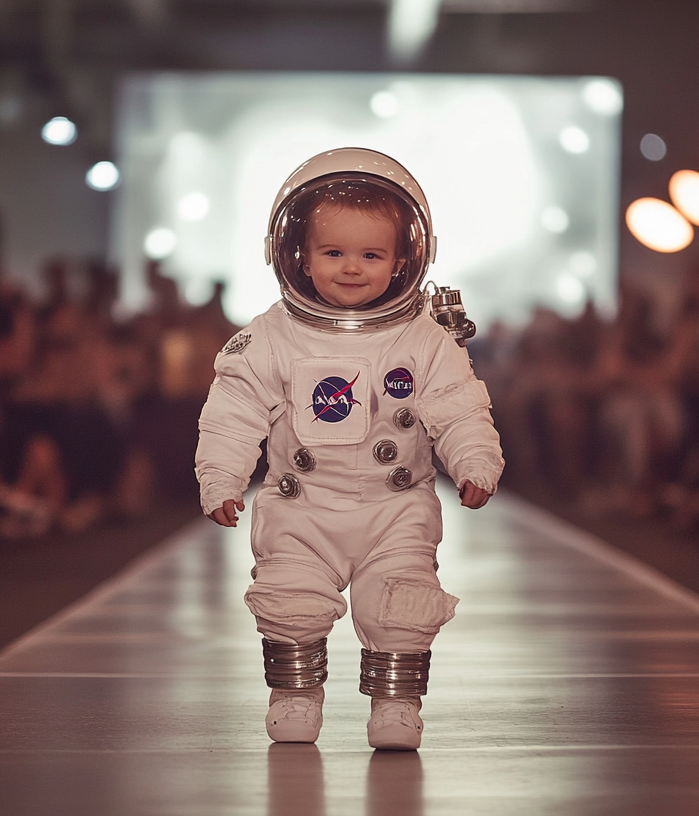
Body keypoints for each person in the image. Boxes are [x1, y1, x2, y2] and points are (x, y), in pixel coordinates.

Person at [195, 148, 503, 750]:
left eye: (371, 255)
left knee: (401, 602)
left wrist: (474, 462)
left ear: (404, 259)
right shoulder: (270, 337)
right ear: (298, 258)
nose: (352, 268)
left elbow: (460, 407)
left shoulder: (424, 339)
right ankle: (294, 694)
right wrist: (220, 478)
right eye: (333, 252)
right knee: (291, 598)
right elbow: (231, 415)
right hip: (301, 502)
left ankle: (397, 704)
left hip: (395, 506)